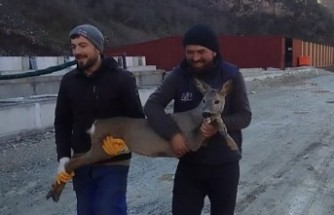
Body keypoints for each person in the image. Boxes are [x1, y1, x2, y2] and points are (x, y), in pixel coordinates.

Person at [144, 24, 252, 215]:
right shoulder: (179, 76)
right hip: (190, 165)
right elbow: (152, 106)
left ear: (214, 52)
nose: (195, 58)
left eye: (201, 52)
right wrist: (173, 134)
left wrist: (220, 126)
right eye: (190, 52)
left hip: (224, 164)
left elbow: (245, 116)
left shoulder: (231, 75)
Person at [54, 24, 144, 215]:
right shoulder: (69, 81)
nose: (77, 51)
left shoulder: (122, 79)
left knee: (109, 209)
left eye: (83, 45)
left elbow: (137, 121)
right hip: (81, 160)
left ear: (98, 47)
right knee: (86, 210)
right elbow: (62, 122)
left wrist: (124, 144)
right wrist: (63, 158)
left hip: (113, 159)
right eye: (73, 46)